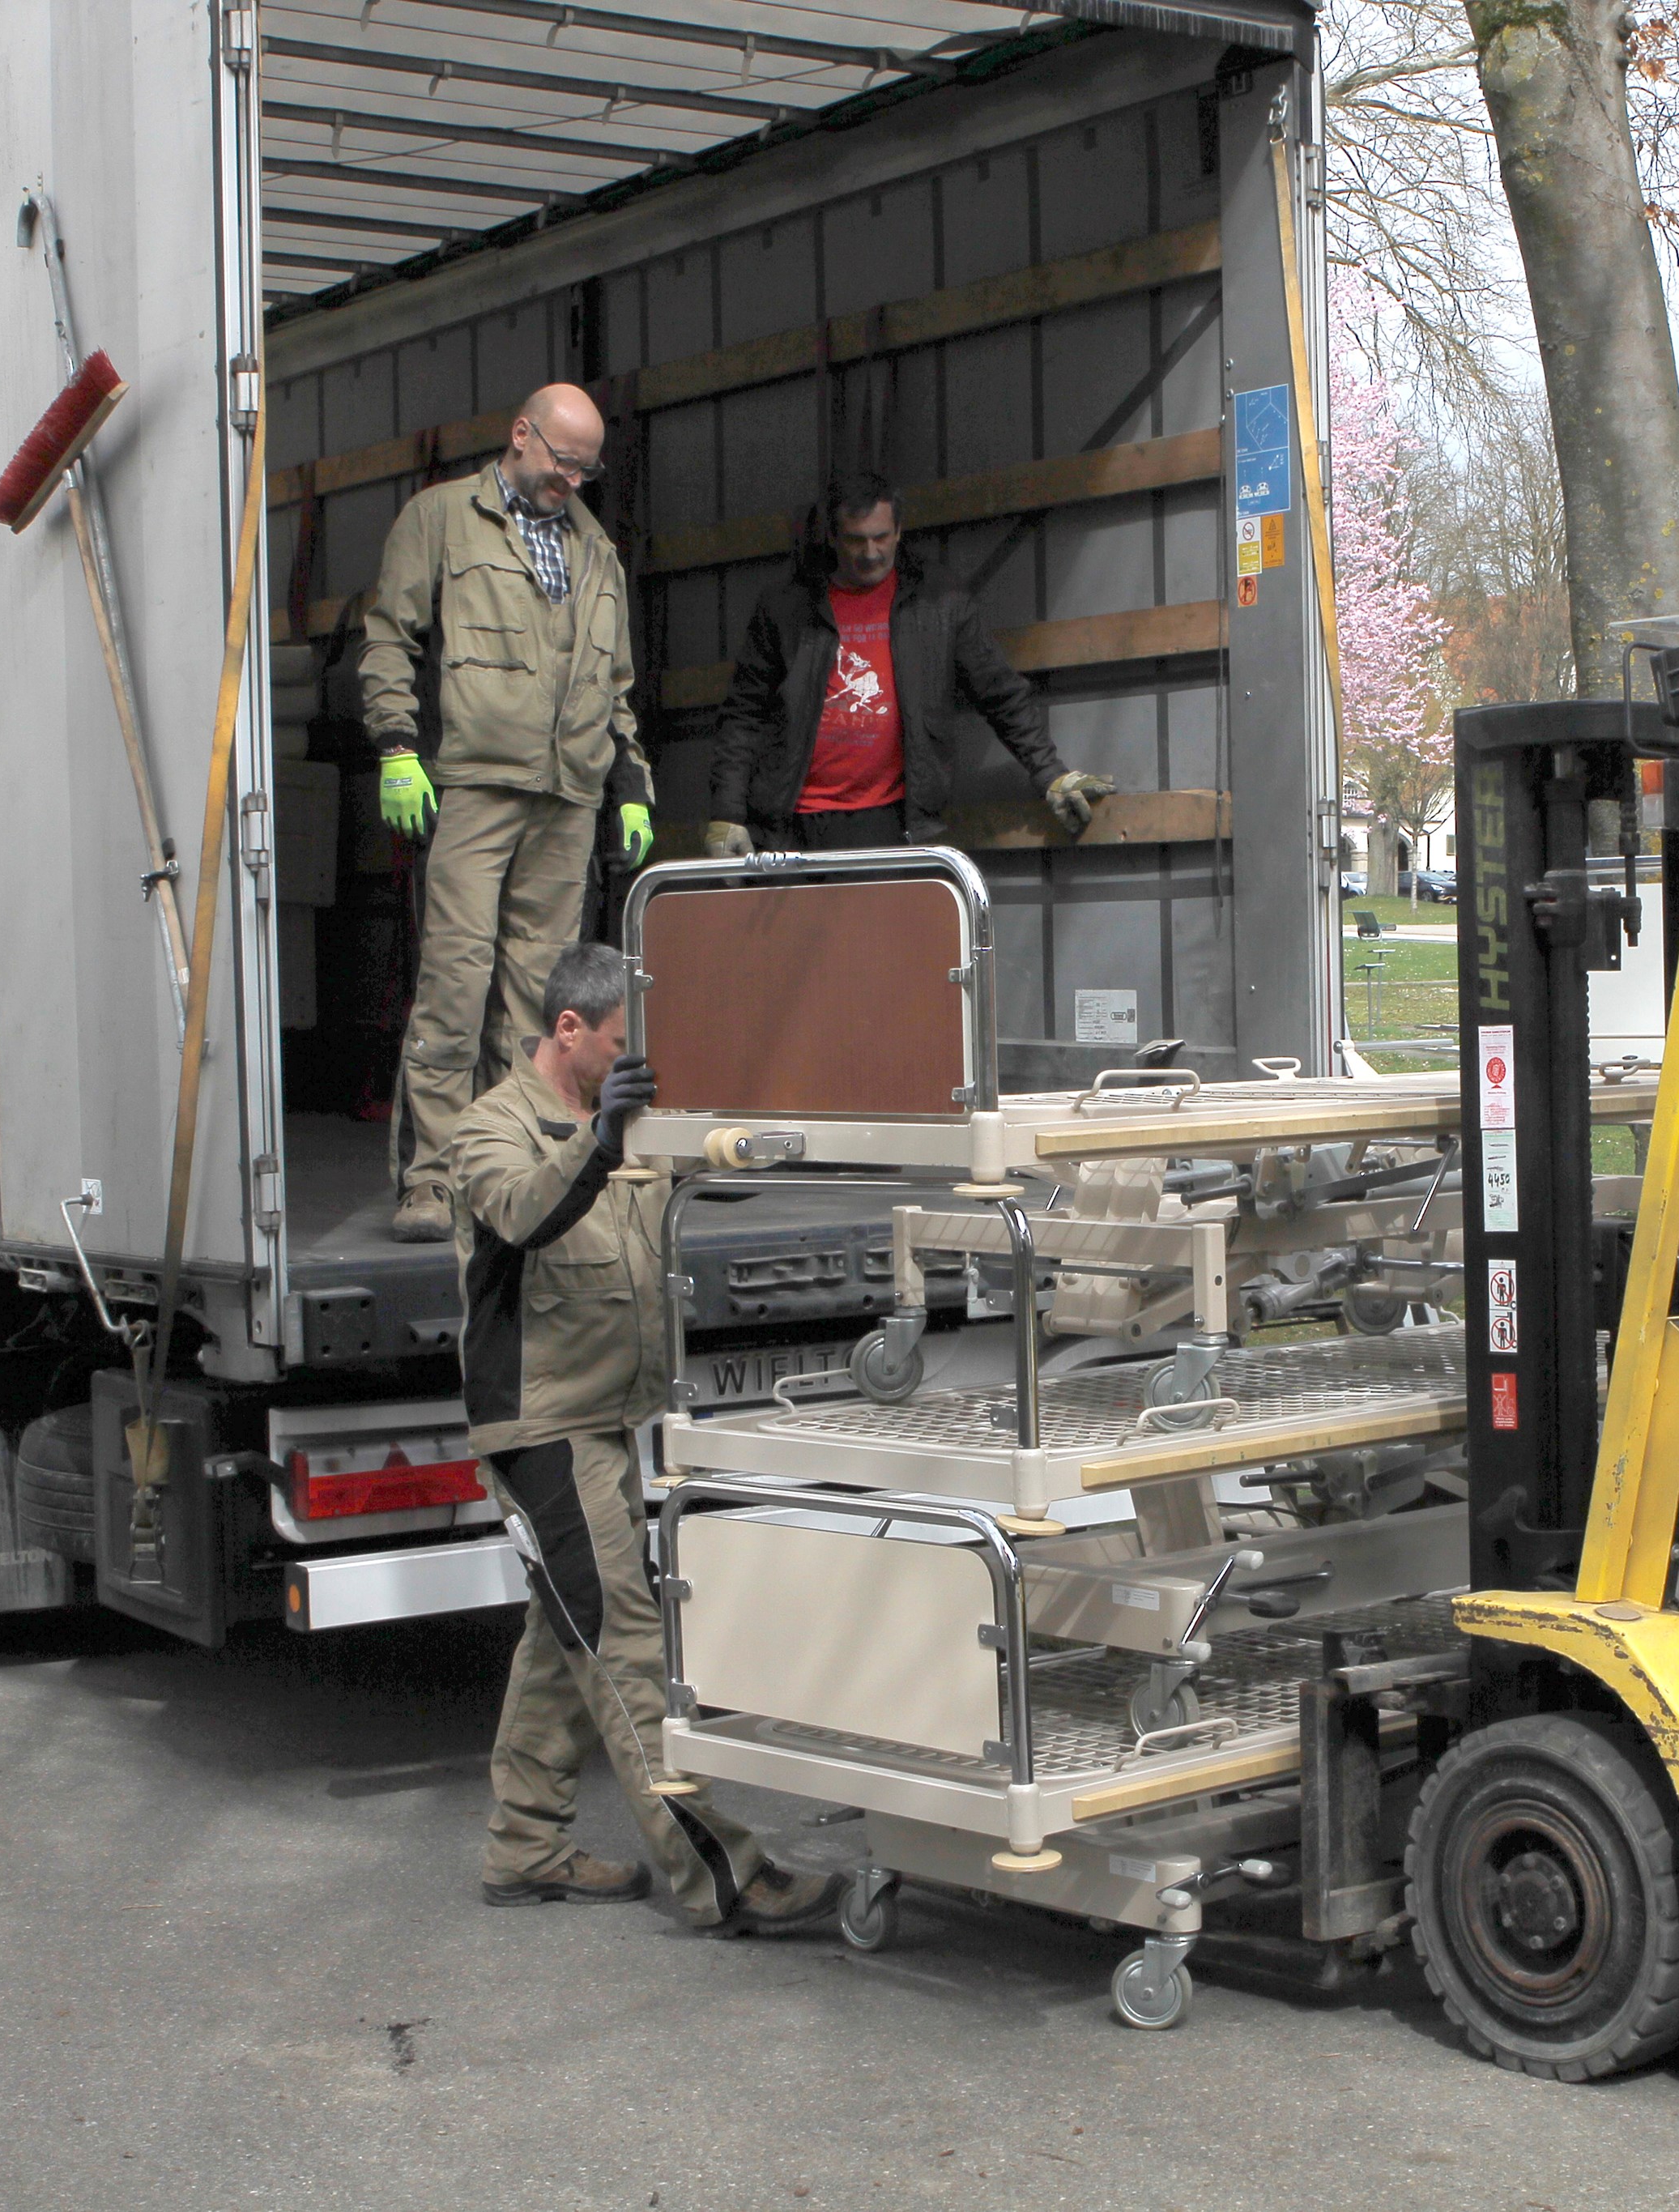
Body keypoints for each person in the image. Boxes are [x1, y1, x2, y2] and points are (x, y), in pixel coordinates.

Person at [450, 943, 838, 1932]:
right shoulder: (491, 1127)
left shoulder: (630, 1115)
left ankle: (523, 1845)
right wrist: (605, 1136)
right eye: (620, 1045)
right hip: (543, 1428)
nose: (635, 1063)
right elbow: (523, 1212)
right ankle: (724, 1876)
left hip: (613, 1420)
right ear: (568, 1031)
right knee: (623, 1645)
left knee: (562, 1635)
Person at [362, 385, 657, 1244]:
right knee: (454, 983)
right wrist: (396, 746)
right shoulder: (444, 519)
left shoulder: (597, 550)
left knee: (536, 999)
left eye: (586, 468)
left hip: (568, 795)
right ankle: (430, 1180)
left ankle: (513, 1165)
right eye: (562, 460)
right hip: (478, 785)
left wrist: (630, 785)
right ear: (520, 435)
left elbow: (618, 686)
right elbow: (389, 635)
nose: (572, 478)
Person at [702, 471, 1111, 856]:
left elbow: (999, 692)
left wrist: (1051, 774)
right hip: (791, 824)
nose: (871, 553)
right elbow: (743, 713)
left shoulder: (941, 604)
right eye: (855, 540)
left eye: (881, 537)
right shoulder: (786, 607)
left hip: (894, 822)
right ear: (831, 537)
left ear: (899, 531)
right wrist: (727, 814)